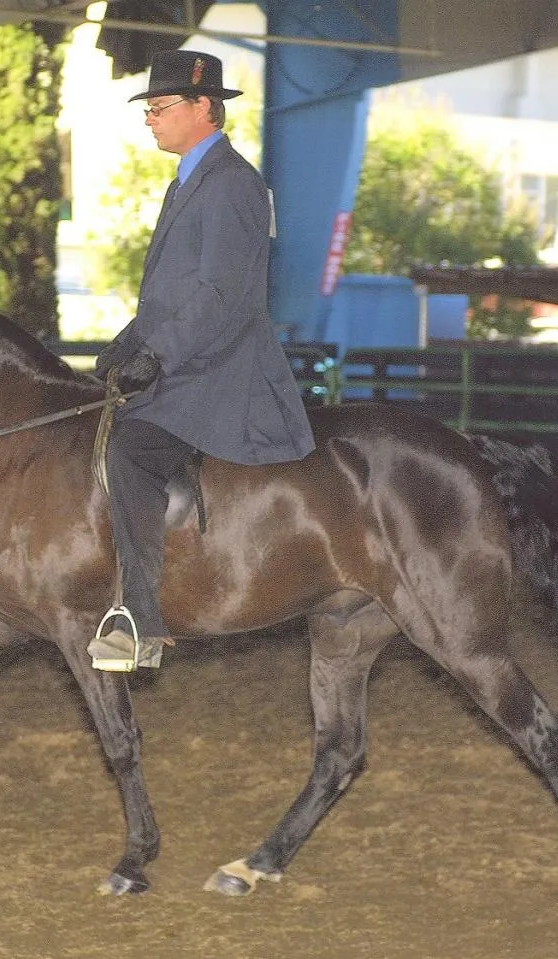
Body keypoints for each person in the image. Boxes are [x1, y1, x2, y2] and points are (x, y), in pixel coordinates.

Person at [87, 49, 316, 672]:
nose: (151, 118)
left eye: (161, 107)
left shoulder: (235, 184)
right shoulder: (187, 182)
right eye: (150, 109)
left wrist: (156, 356)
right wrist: (127, 344)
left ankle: (141, 622)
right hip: (185, 357)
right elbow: (171, 294)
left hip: (222, 369)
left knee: (131, 450)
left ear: (204, 109)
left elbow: (219, 296)